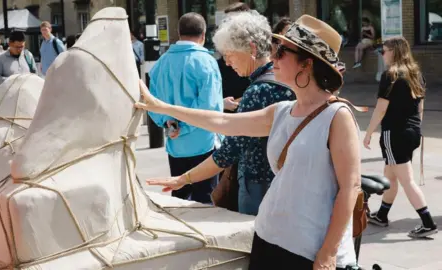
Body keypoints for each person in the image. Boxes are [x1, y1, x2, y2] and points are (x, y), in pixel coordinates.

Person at [138, 15, 360, 269]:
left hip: (311, 249)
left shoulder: (337, 116)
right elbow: (220, 122)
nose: (273, 58)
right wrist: (161, 107)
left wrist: (329, 252)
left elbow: (350, 188)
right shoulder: (282, 111)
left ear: (306, 63)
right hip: (269, 238)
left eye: (282, 52)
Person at [142, 11, 295, 216]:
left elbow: (227, 141)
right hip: (280, 180)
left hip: (259, 185)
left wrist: (182, 178)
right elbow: (214, 112)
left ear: (251, 48)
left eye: (229, 55)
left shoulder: (258, 91)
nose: (227, 63)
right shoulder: (282, 79)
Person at [364, 36, 438, 238]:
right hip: (412, 132)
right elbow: (420, 107)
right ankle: (382, 215)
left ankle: (427, 222)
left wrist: (368, 133)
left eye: (384, 50)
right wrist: (416, 129)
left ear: (394, 51)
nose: (382, 54)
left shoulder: (391, 75)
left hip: (394, 133)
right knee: (391, 175)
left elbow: (380, 109)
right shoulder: (415, 74)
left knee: (406, 180)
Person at [147, 12, 223, 204]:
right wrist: (184, 127)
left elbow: (151, 102)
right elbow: (208, 108)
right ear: (204, 35)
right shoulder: (207, 62)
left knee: (180, 200)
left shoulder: (161, 63)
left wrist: (171, 126)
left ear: (178, 33)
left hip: (176, 146)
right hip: (204, 143)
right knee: (205, 202)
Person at [218, 2, 251, 113]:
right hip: (225, 121)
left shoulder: (255, 56)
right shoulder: (220, 61)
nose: (226, 27)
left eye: (231, 22)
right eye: (225, 22)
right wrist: (220, 103)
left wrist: (240, 101)